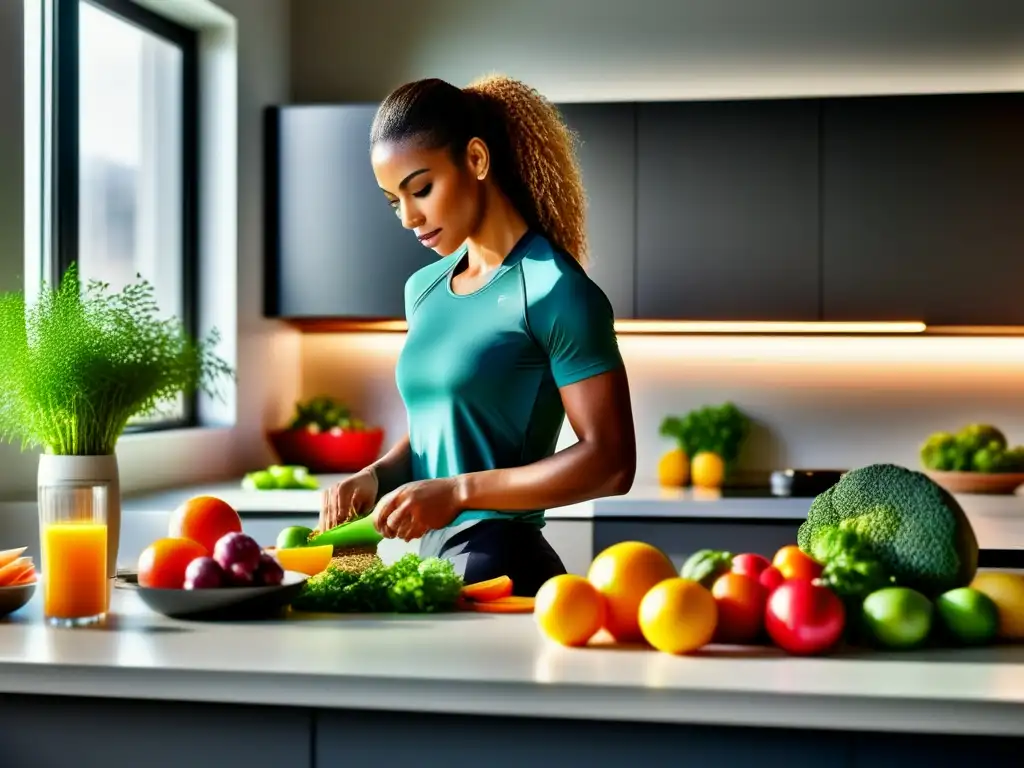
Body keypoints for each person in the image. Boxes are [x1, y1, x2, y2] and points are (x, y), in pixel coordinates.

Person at [318, 74, 636, 597]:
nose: (408, 217)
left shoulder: (554, 289)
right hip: (433, 561)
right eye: (393, 200)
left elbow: (612, 461)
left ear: (477, 160)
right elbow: (443, 430)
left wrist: (461, 492)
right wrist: (375, 478)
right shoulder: (424, 289)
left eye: (421, 188)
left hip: (504, 563)